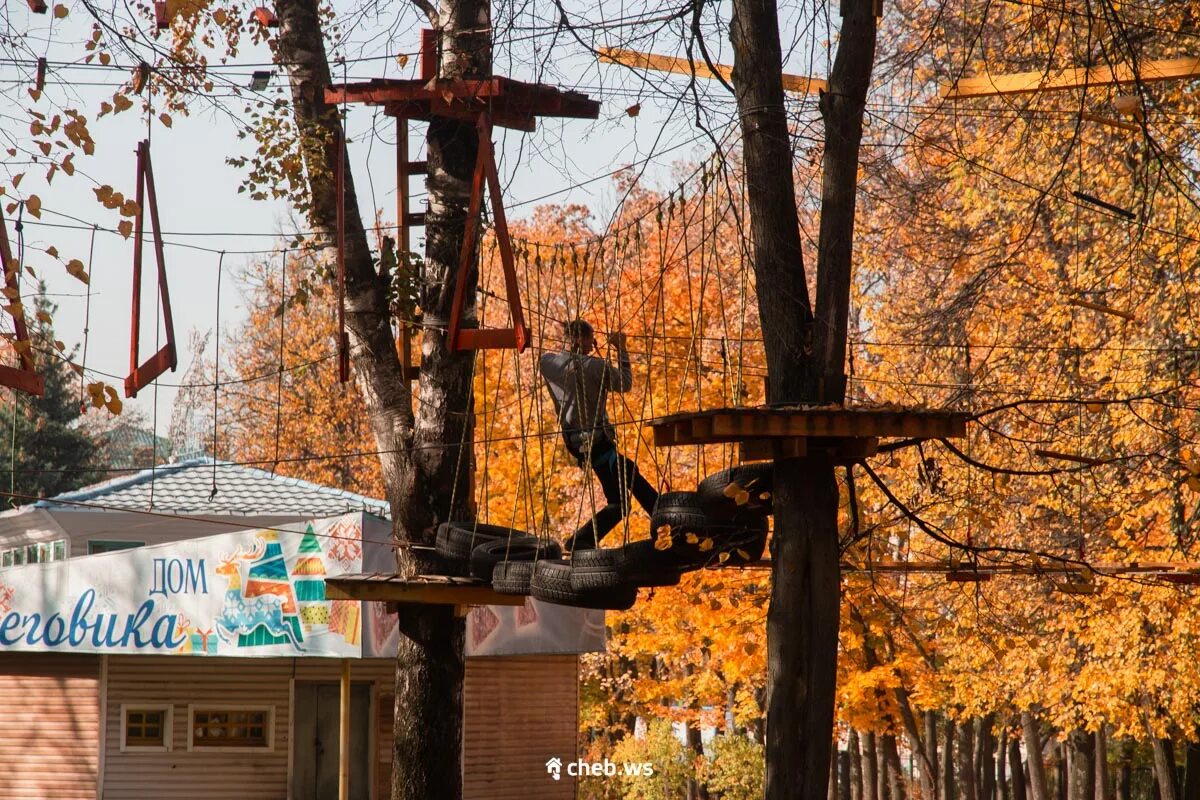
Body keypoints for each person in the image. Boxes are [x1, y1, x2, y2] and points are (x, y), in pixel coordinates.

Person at [539, 319, 659, 550]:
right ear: (579, 339)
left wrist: (577, 350)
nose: (592, 346)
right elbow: (624, 384)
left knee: (627, 474)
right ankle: (666, 520)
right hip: (597, 440)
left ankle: (662, 516)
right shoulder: (596, 367)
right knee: (620, 499)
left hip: (574, 440)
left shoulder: (547, 363)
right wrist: (620, 349)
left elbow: (558, 359)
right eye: (589, 341)